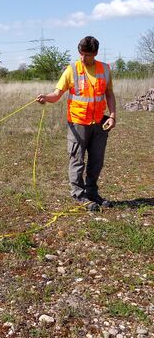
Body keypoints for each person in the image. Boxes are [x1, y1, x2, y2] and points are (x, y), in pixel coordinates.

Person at [36, 36, 116, 211]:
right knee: (77, 160)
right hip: (77, 124)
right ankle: (80, 196)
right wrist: (45, 98)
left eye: (86, 55)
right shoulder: (71, 69)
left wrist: (112, 116)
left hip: (99, 123)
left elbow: (109, 93)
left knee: (96, 161)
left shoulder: (105, 69)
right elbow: (57, 94)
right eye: (80, 54)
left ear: (95, 53)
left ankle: (93, 193)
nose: (82, 58)